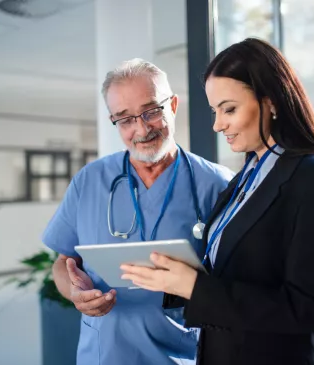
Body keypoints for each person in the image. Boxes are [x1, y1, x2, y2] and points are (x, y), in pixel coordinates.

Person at [121, 38, 314, 365]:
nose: (217, 124)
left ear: (272, 102)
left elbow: (309, 310)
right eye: (214, 111)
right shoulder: (245, 179)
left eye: (229, 109)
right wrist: (177, 277)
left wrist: (196, 287)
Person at [42, 58, 233, 365]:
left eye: (151, 111)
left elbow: (237, 281)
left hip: (183, 353)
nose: (141, 129)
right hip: (104, 354)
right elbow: (63, 262)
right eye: (125, 119)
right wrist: (75, 294)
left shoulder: (216, 184)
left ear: (172, 105)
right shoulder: (89, 181)